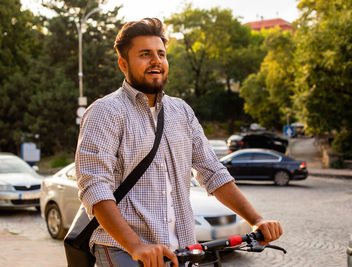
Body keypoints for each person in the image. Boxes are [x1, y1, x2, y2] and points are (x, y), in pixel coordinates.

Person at [75, 18, 283, 267]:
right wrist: (136, 246)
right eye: (145, 54)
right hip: (124, 250)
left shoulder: (181, 112)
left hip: (181, 252)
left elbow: (213, 172)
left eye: (161, 54)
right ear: (123, 64)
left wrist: (256, 220)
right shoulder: (105, 112)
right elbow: (95, 188)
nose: (156, 61)